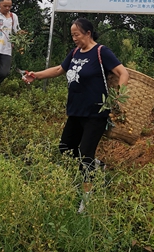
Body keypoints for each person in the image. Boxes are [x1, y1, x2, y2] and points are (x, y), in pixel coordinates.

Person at [22, 18, 129, 212]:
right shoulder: (75, 53)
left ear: (88, 33)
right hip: (76, 111)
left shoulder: (101, 52)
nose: (74, 38)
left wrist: (118, 97)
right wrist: (35, 75)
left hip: (95, 114)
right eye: (72, 35)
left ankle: (86, 201)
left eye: (76, 35)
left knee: (85, 155)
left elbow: (123, 73)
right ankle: (98, 166)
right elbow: (58, 70)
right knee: (65, 148)